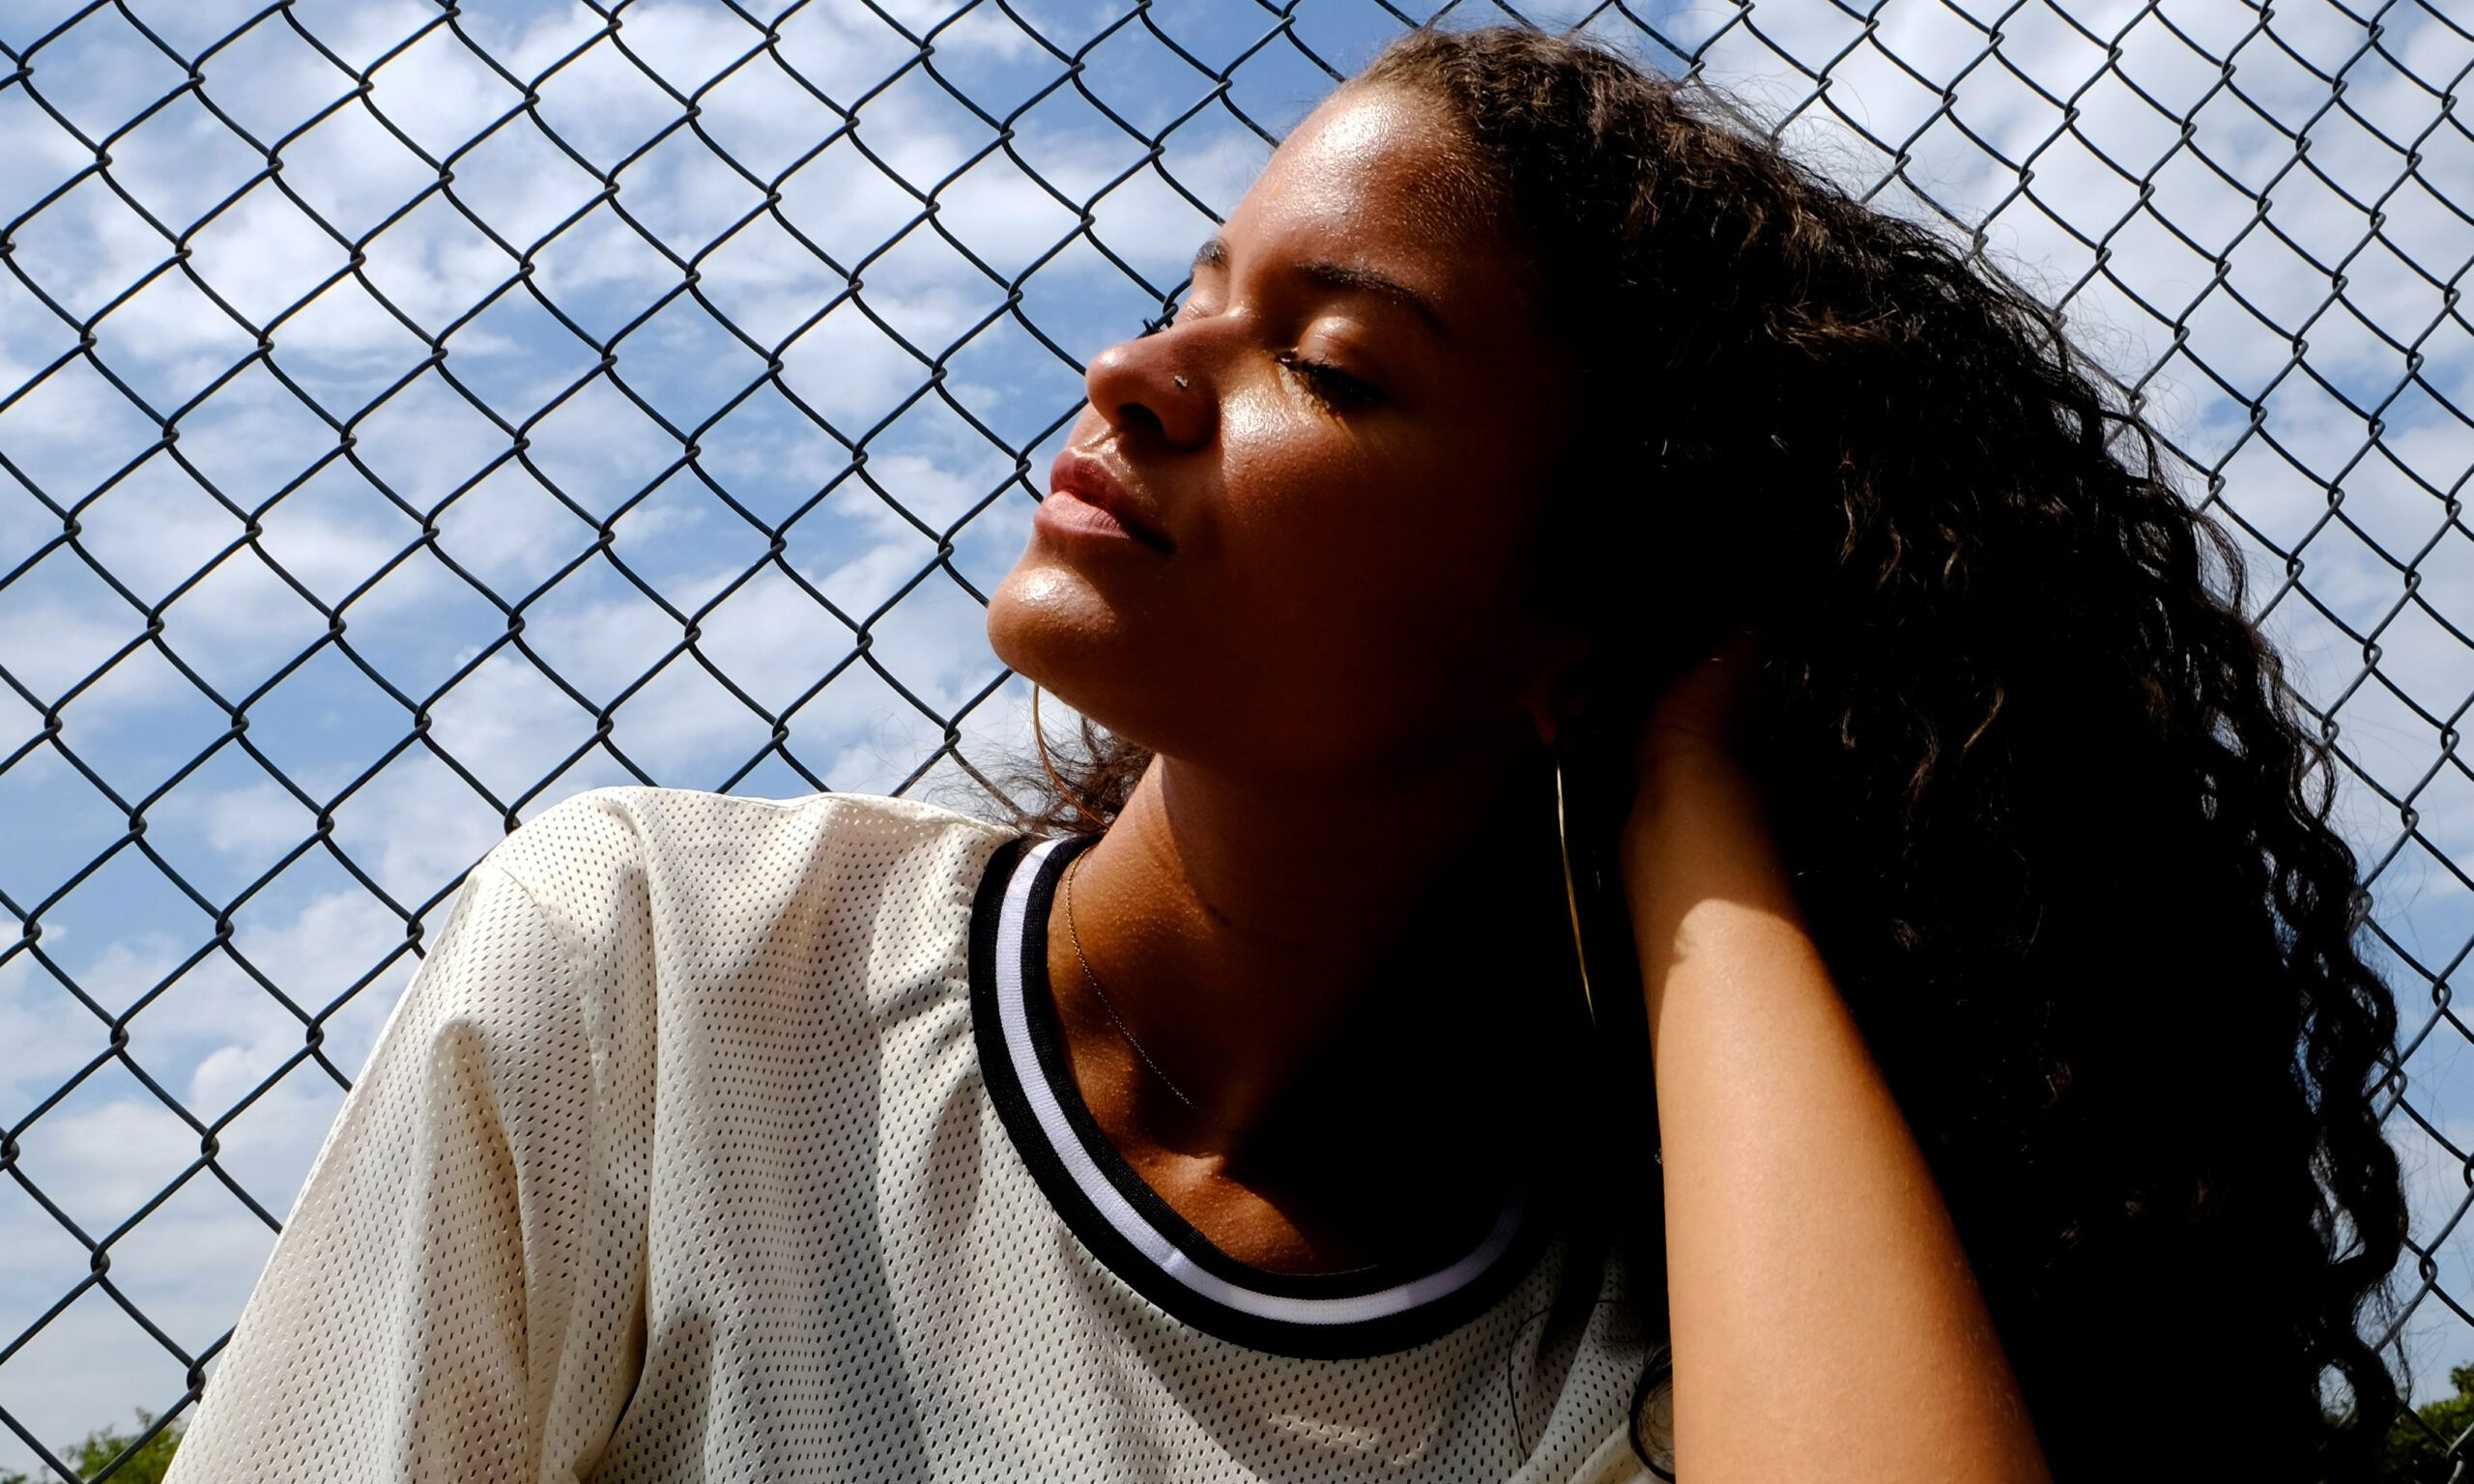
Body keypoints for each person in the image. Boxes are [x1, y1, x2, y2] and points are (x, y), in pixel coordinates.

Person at [161, 20, 2409, 1484]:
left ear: (1574, 626)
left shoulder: (1634, 1354)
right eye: (1201, 289)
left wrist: (1687, 795)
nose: (1135, 374)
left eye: (1325, 367)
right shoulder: (658, 975)